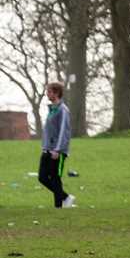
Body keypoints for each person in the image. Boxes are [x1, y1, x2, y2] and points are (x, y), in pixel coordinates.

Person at [39, 81, 74, 209]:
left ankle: (58, 206)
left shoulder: (63, 110)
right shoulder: (52, 109)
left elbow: (64, 131)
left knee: (55, 177)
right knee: (42, 177)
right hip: (47, 149)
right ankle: (65, 197)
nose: (47, 93)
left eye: (49, 91)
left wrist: (58, 150)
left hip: (57, 151)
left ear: (57, 93)